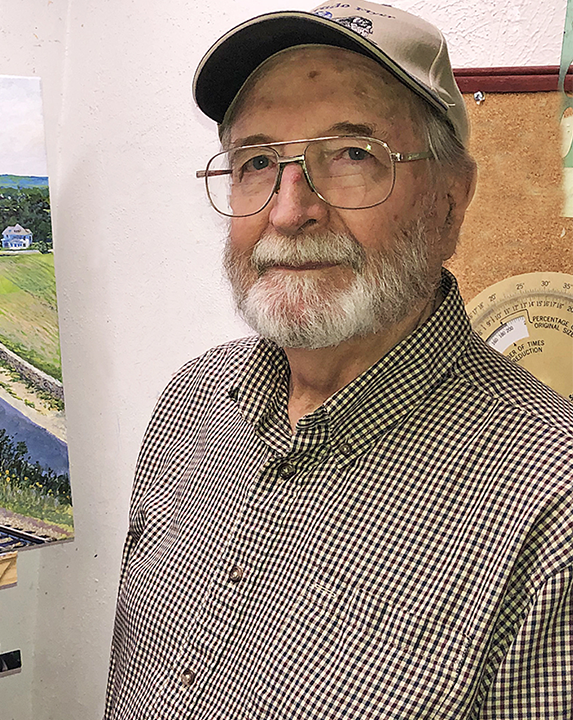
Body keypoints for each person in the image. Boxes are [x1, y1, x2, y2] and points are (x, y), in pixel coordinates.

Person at [105, 2, 572, 719]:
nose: (291, 211)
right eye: (258, 162)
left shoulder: (552, 505)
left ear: (450, 203)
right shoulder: (190, 408)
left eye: (353, 155)